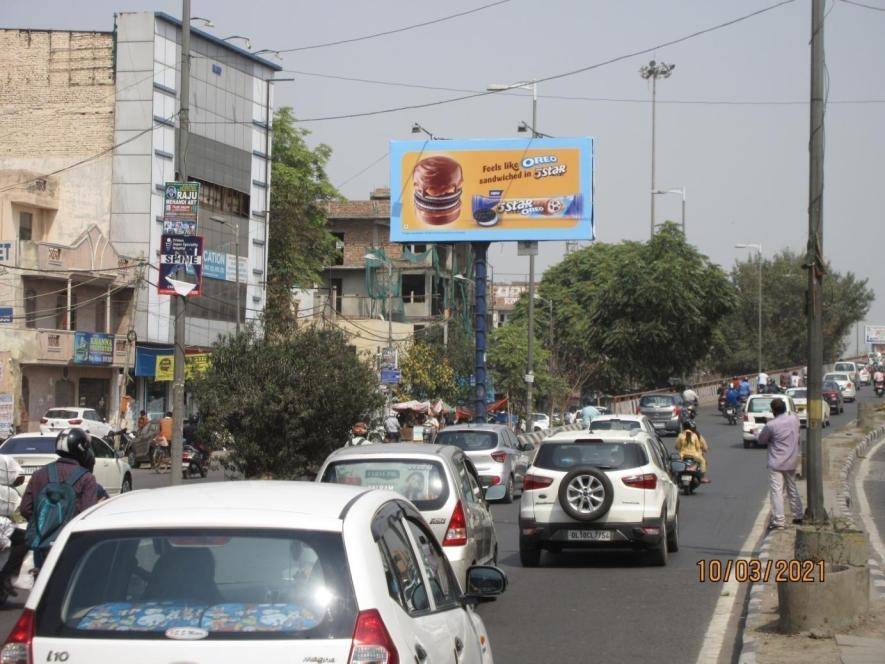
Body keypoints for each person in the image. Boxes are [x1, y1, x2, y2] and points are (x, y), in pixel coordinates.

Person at [21, 428, 99, 567]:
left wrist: (45, 523)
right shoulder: (87, 479)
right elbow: (88, 517)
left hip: (41, 547)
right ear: (81, 449)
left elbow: (25, 509)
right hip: (70, 548)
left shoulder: (39, 474)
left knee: (41, 583)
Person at [757, 398, 803, 529]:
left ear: (773, 411)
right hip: (792, 460)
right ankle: (798, 515)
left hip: (776, 462)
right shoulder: (794, 419)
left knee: (777, 491)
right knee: (792, 488)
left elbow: (761, 440)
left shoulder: (771, 425)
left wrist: (768, 423)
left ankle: (779, 520)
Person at [0, 454, 25, 596]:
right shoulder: (9, 493)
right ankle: (6, 576)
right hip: (3, 526)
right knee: (25, 539)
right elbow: (19, 478)